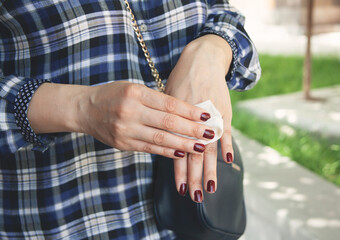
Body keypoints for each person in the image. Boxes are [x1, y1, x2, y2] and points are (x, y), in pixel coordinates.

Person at [0, 0, 261, 239]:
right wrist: (80, 107)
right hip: (70, 215)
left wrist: (212, 50)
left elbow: (221, 10)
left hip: (189, 218)